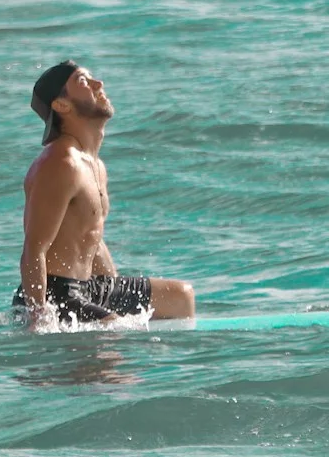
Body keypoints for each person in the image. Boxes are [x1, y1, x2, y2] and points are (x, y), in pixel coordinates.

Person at [12, 61, 196, 330]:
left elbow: (91, 239)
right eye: (84, 82)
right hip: (55, 294)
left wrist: (116, 291)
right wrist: (39, 317)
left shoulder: (95, 165)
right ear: (61, 105)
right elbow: (33, 249)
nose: (99, 84)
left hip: (89, 287)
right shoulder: (60, 163)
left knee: (181, 297)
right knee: (115, 332)